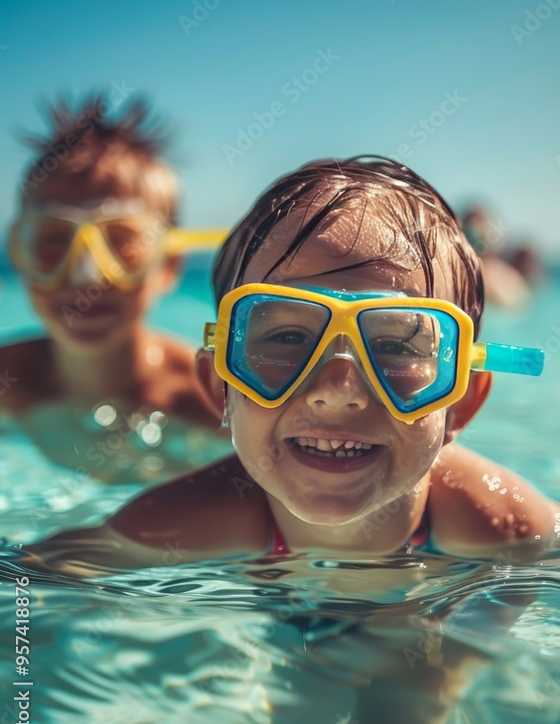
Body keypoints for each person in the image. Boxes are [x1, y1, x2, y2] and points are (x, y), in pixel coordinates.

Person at [25, 156, 559, 569]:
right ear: (219, 388)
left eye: (395, 347)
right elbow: (31, 582)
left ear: (461, 400)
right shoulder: (179, 524)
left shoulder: (505, 524)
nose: (338, 389)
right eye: (286, 337)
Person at [1, 94, 229, 486]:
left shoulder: (212, 405)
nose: (87, 277)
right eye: (53, 243)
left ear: (168, 265)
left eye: (122, 245)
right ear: (21, 256)